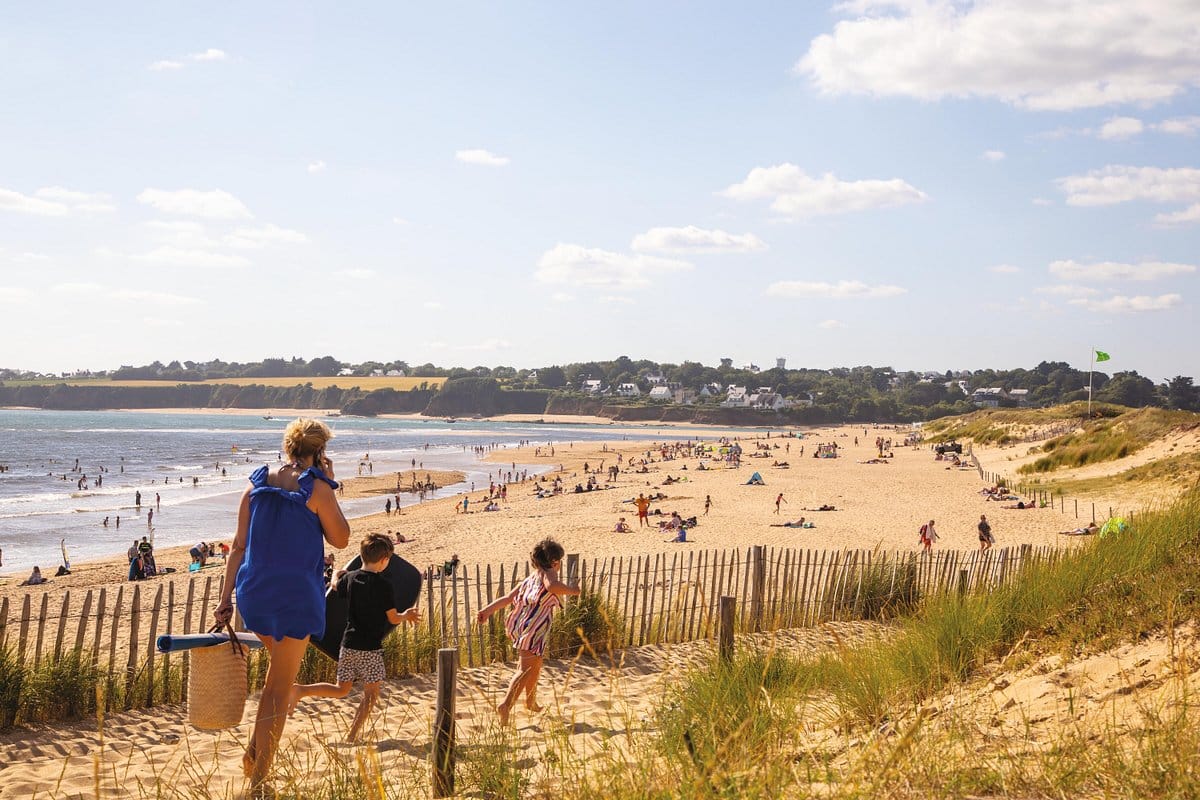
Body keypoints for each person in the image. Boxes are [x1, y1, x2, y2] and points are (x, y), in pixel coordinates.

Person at [214, 418, 350, 794]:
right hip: (294, 596)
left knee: (278, 678)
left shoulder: (256, 484)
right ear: (319, 451)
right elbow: (341, 539)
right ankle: (260, 779)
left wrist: (225, 599)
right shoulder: (318, 489)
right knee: (278, 687)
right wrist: (330, 484)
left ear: (289, 447)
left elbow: (237, 547)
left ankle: (255, 751)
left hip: (254, 592)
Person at [290, 534, 420, 741]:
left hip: (348, 644)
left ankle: (301, 690)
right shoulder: (384, 586)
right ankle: (352, 735)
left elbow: (334, 587)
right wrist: (408, 615)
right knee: (371, 694)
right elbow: (393, 618)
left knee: (341, 689)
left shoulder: (351, 579)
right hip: (370, 648)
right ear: (385, 560)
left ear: (362, 557)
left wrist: (335, 576)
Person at [476, 538, 579, 726]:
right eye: (560, 561)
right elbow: (552, 587)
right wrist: (573, 590)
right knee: (524, 669)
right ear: (555, 562)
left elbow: (508, 598)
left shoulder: (532, 577)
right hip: (534, 628)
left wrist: (487, 611)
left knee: (535, 665)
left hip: (525, 626)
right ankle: (506, 706)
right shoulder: (549, 575)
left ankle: (530, 701)